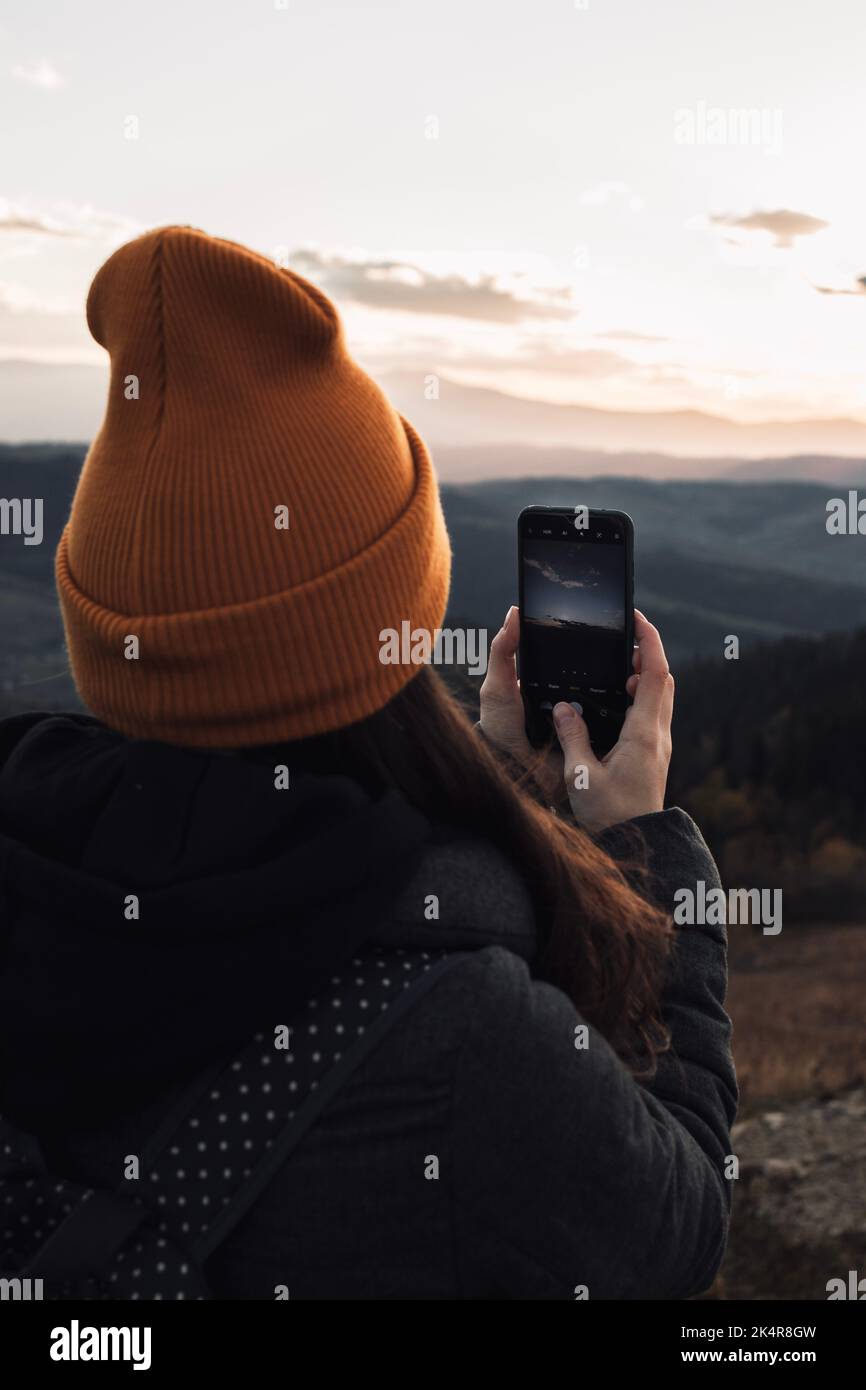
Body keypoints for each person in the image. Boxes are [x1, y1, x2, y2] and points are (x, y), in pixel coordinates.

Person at [0, 226, 736, 1300]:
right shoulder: (469, 1041)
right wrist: (632, 852)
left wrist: (497, 798)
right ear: (405, 613)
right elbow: (680, 1226)